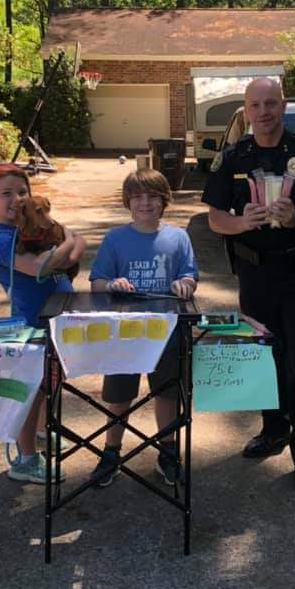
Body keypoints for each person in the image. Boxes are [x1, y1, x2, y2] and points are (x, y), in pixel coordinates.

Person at [202, 77, 295, 499]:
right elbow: (215, 218)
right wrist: (242, 223)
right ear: (246, 111)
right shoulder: (234, 156)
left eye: (271, 103)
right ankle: (273, 431)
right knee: (263, 360)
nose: (264, 111)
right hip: (255, 277)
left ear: (283, 106)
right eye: (256, 105)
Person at [89, 168, 198, 487]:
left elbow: (190, 276)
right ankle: (111, 452)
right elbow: (96, 282)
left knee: (166, 394)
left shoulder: (178, 237)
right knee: (119, 395)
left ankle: (168, 451)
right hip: (125, 331)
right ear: (127, 202)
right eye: (137, 197)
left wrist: (185, 283)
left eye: (152, 197)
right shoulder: (115, 239)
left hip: (167, 329)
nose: (145, 203)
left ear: (164, 201)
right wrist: (112, 284)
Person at [0, 162, 87, 483]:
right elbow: (46, 265)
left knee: (48, 386)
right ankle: (26, 460)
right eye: (5, 193)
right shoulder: (0, 239)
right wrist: (68, 243)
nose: (16, 199)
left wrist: (70, 245)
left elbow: (79, 245)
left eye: (22, 191)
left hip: (56, 320)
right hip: (32, 325)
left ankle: (41, 434)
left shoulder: (27, 228)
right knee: (30, 393)